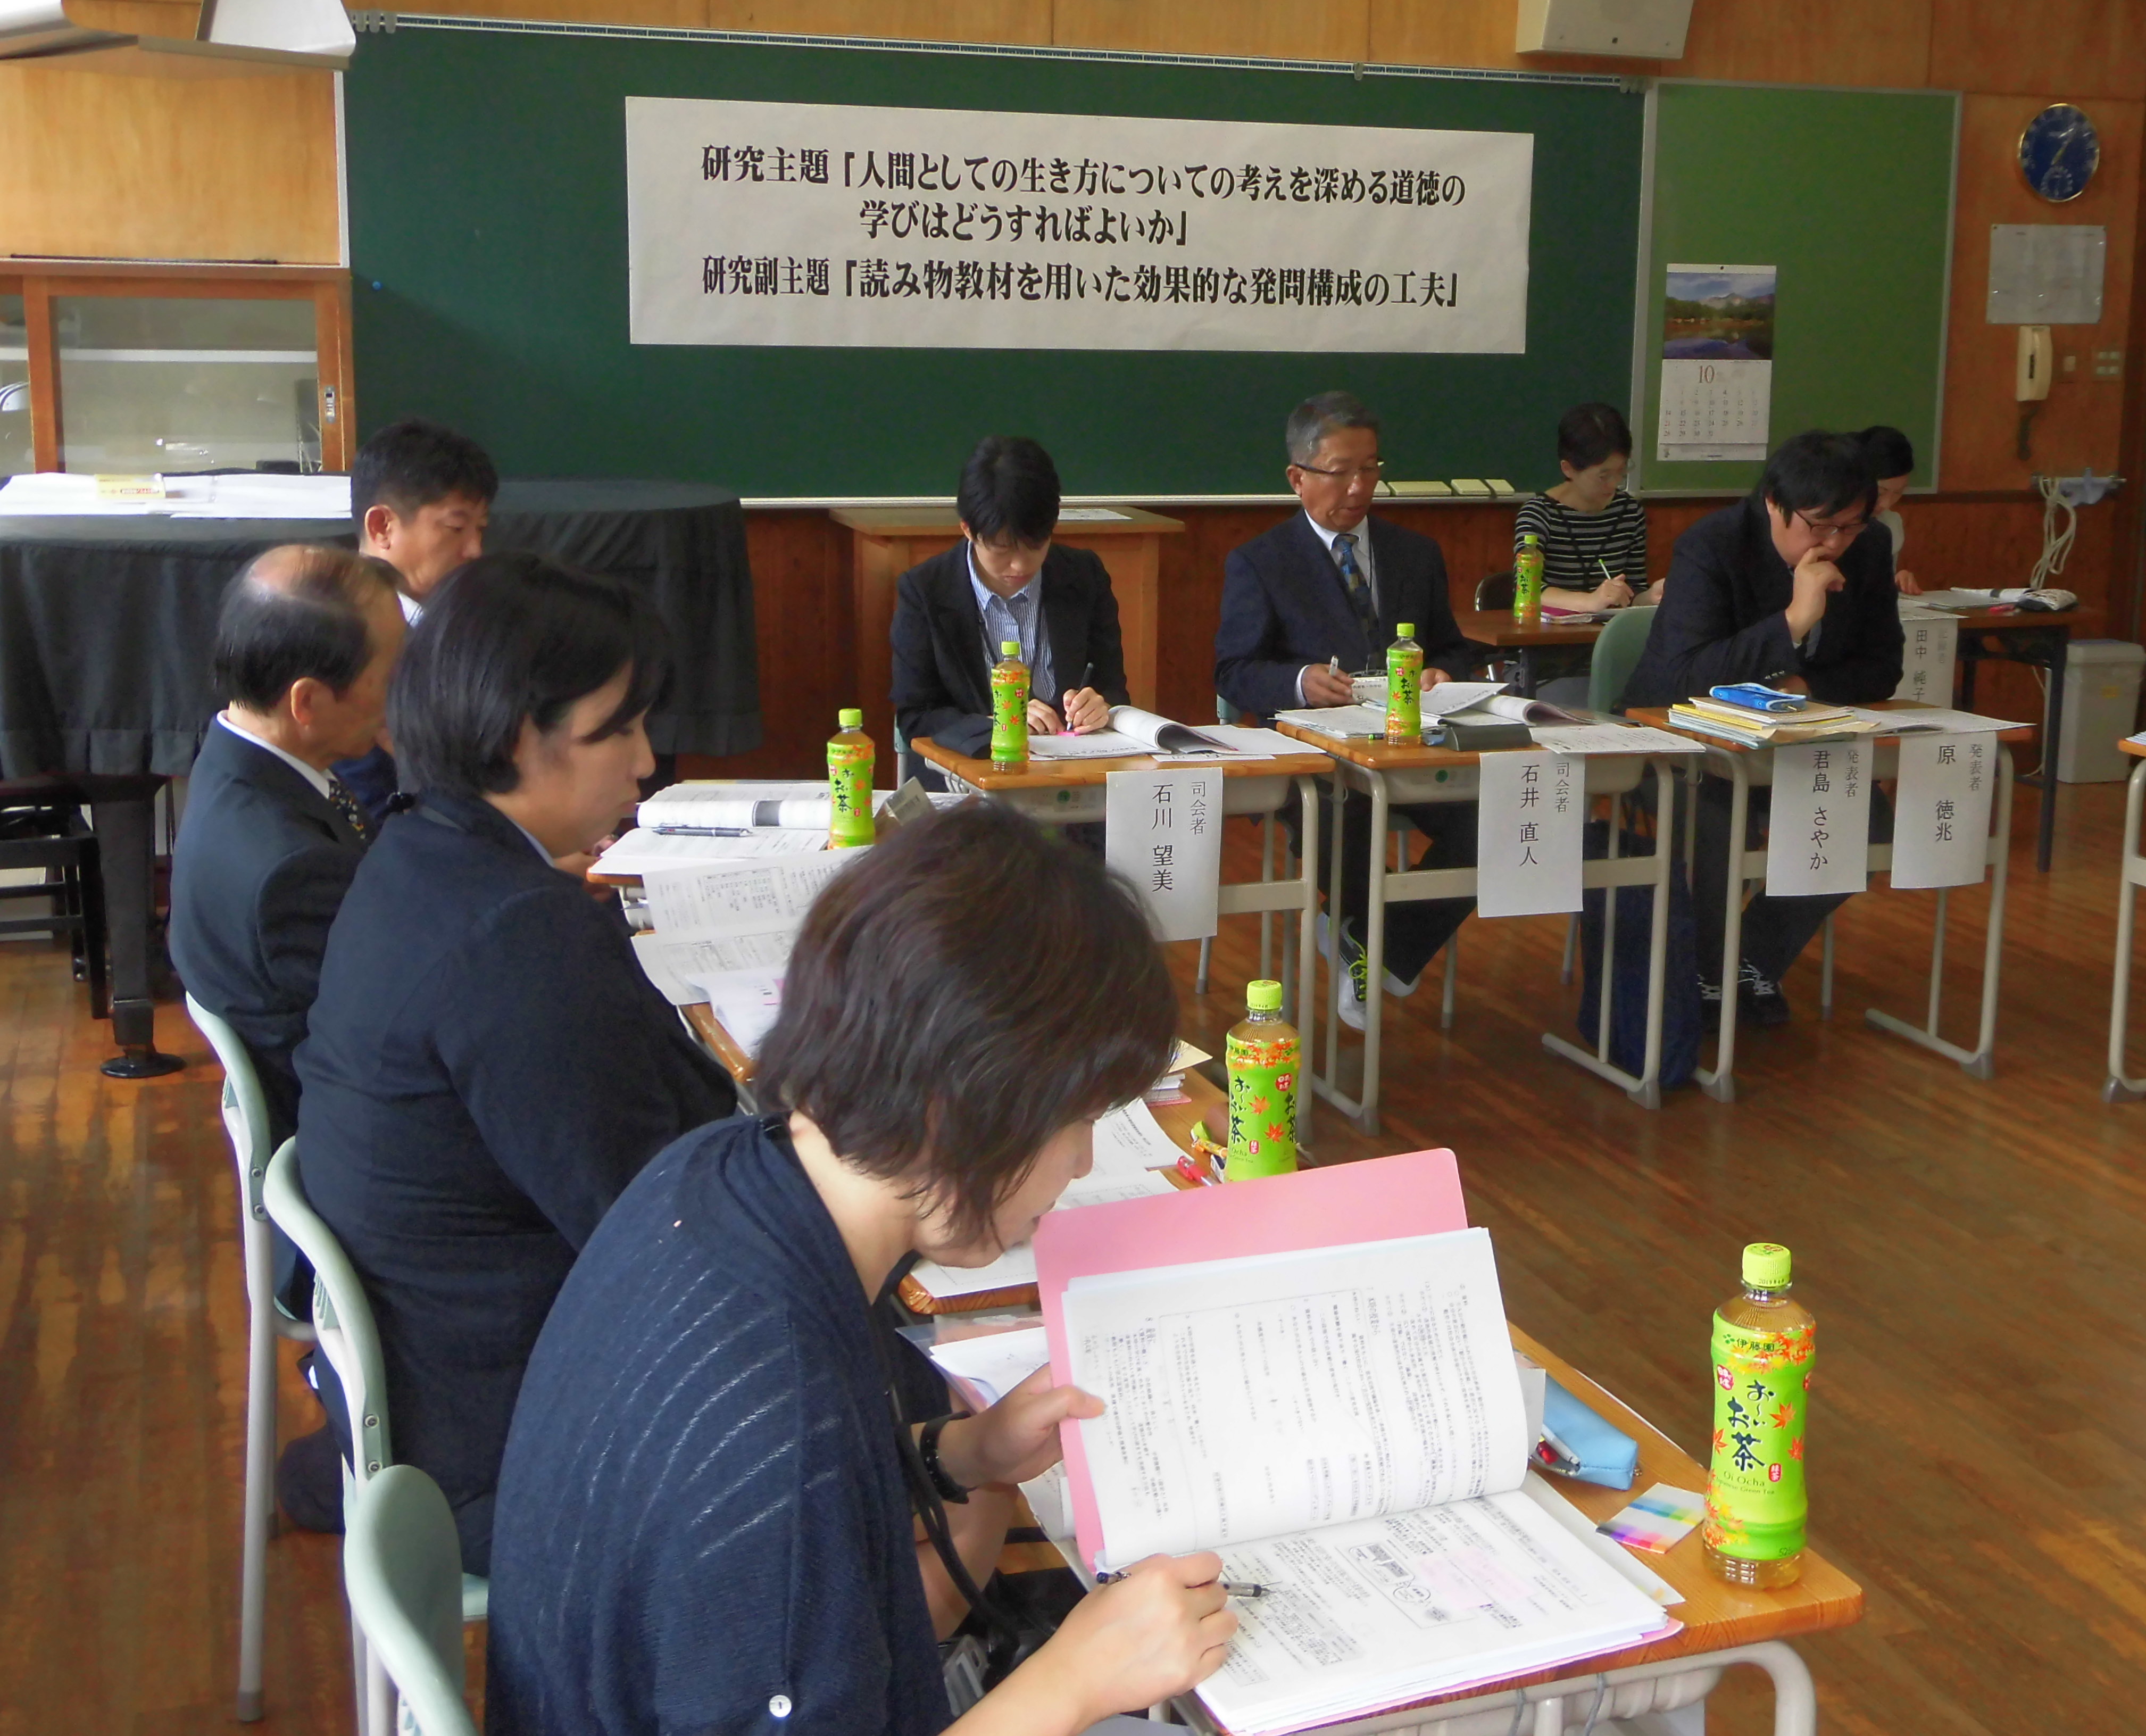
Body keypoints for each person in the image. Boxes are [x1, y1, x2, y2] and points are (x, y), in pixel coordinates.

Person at [485, 800, 1236, 1736]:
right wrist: (1075, 1680)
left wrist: (961, 1453)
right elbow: (781, 1493)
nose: (1082, 1162)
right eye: (1075, 1121)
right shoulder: (773, 1420)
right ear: (956, 1114)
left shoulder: (722, 1173)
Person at [294, 552, 736, 1571]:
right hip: (511, 1447)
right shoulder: (517, 940)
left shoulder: (419, 856)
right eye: (617, 729)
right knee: (931, 1445)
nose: (645, 760)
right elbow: (667, 1234)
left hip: (443, 1378)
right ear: (511, 740)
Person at [1214, 392, 1485, 1027]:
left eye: (1371, 469)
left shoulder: (1415, 553)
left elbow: (1453, 646)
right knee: (1347, 811)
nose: (1360, 487)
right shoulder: (1260, 562)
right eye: (1341, 472)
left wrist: (1444, 671)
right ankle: (1366, 935)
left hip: (1410, 745)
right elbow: (1234, 671)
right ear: (1298, 477)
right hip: (1315, 755)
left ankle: (1376, 943)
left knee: (1496, 813)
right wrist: (1300, 682)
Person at [1629, 429, 1902, 1026]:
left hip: (1795, 744)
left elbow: (1884, 665)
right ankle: (1705, 976)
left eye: (1851, 526)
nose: (1835, 543)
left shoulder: (1870, 547)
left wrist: (1804, 685)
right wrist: (1794, 621)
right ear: (1775, 504)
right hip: (1681, 744)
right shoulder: (1713, 545)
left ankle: (1750, 958)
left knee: (1870, 825)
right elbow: (1683, 676)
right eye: (1820, 526)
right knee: (1716, 826)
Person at [171, 547, 408, 1150]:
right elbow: (390, 1028)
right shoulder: (292, 869)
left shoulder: (239, 761)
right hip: (356, 1136)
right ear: (307, 702)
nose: (405, 694)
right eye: (391, 677)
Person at [892, 434, 1126, 780]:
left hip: (1070, 775)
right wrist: (998, 725)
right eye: (1002, 549)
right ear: (968, 530)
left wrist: (1100, 706)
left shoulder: (1084, 576)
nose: (1019, 566)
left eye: (1035, 546)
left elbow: (1114, 687)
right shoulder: (926, 591)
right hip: (969, 776)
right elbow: (916, 716)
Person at [331, 417, 498, 821]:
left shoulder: (461, 619)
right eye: (456, 528)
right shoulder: (343, 640)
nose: (475, 550)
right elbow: (371, 806)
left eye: (480, 529)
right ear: (382, 527)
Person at [1513, 402, 1662, 616]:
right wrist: (1590, 601)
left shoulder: (1629, 511)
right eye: (1603, 476)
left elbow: (1633, 591)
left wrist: (1650, 597)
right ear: (1568, 469)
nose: (1614, 484)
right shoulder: (1539, 514)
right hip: (1550, 633)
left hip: (1610, 632)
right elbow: (1527, 589)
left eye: (1621, 472)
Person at [1857, 424, 1922, 596]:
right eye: (1881, 493)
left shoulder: (1891, 523)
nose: (1887, 504)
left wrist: (1896, 580)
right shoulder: (1827, 527)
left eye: (1898, 493)